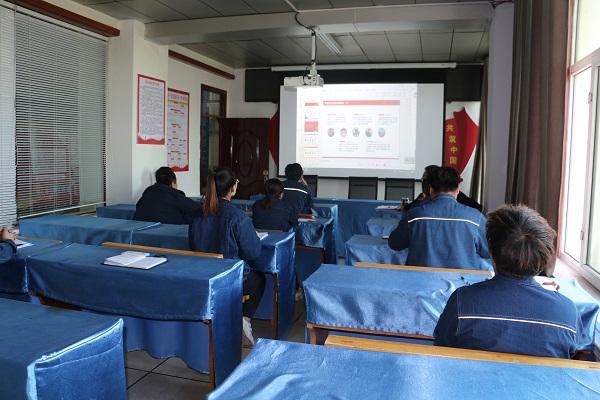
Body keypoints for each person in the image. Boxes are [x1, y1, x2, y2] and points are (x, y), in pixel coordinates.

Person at [434, 204, 584, 358]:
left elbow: (442, 345)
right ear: (543, 260)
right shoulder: (568, 313)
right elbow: (571, 354)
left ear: (492, 257)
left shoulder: (462, 301)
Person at [188, 167, 266, 347]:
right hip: (228, 278)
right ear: (233, 188)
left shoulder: (198, 214)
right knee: (260, 280)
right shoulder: (238, 217)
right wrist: (253, 237)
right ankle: (244, 321)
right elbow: (252, 253)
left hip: (203, 275)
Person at [388, 166, 491, 270]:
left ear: (431, 189)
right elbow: (489, 251)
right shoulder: (475, 218)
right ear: (458, 189)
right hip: (463, 279)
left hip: (420, 278)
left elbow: (394, 243)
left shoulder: (414, 216)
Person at [133, 166, 202, 225]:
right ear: (172, 183)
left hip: (136, 229)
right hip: (160, 232)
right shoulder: (174, 194)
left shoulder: (148, 191)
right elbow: (197, 209)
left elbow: (138, 206)